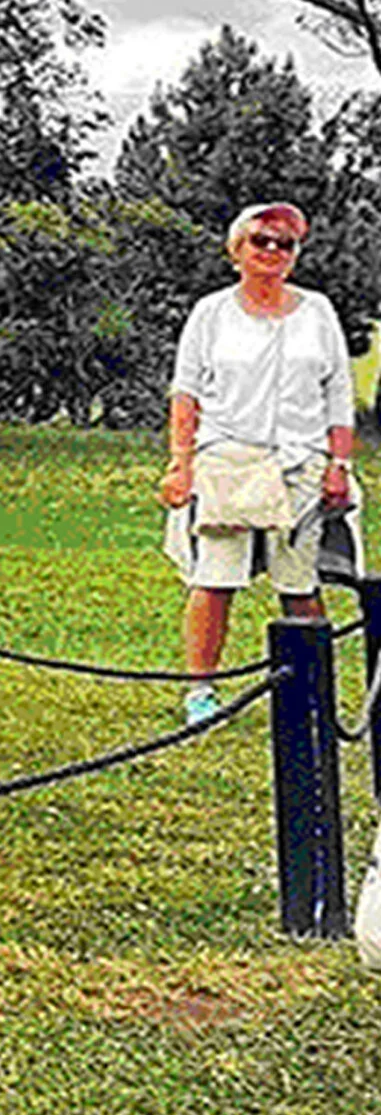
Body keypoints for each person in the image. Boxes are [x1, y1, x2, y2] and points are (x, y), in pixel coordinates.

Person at [158, 201, 360, 728]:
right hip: (229, 460)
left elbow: (338, 393)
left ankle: (313, 694)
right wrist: (180, 465)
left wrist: (338, 462)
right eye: (261, 241)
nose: (272, 251)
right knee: (215, 579)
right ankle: (200, 692)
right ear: (237, 250)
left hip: (301, 462)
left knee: (299, 585)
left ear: (295, 255)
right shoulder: (211, 313)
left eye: (285, 243)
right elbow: (186, 394)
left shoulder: (317, 311)